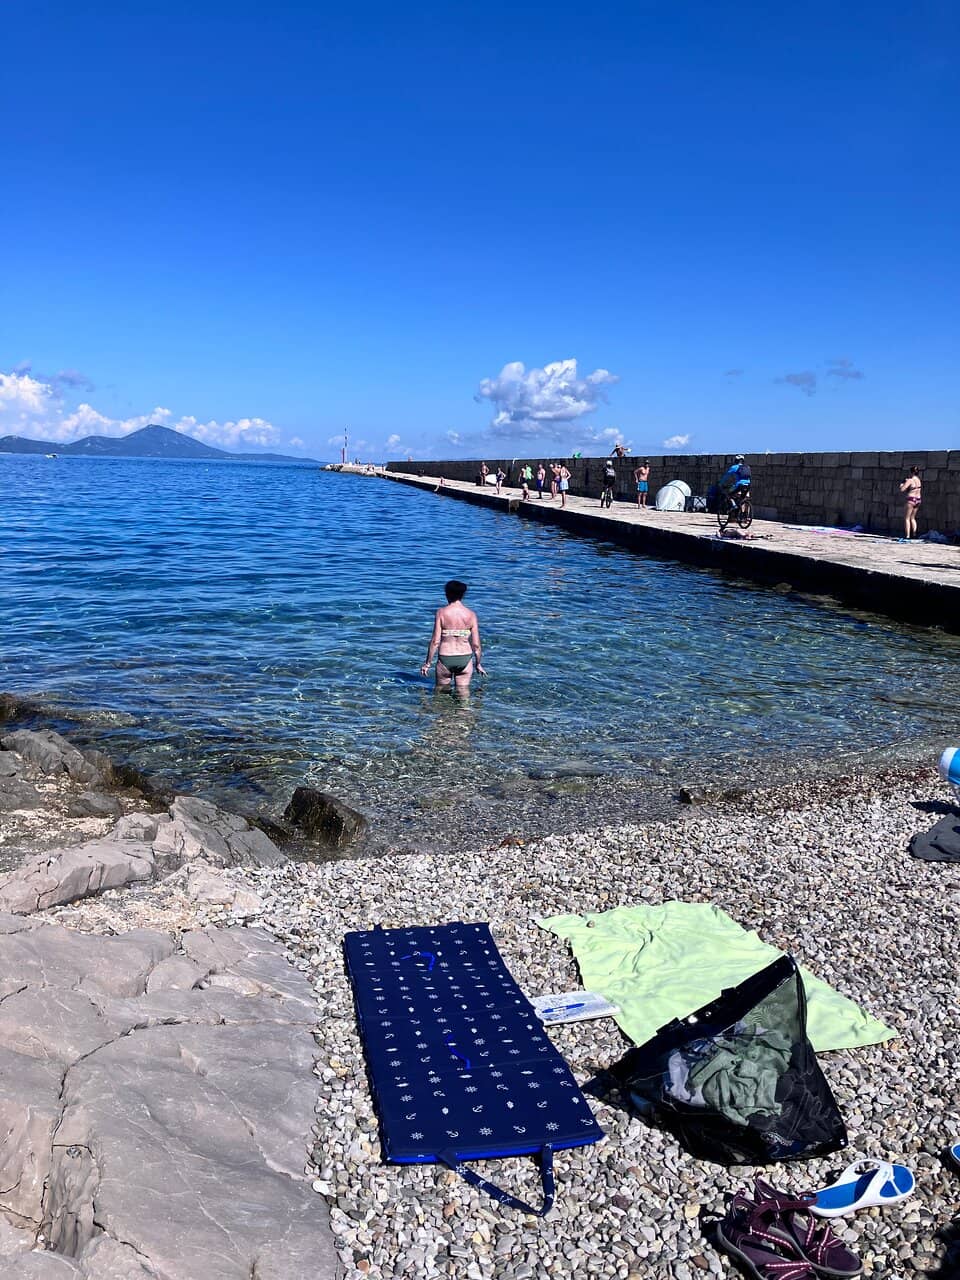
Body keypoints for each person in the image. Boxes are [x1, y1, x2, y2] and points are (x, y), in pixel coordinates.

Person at [420, 580, 486, 693]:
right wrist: (478, 664)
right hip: (465, 658)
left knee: (441, 695)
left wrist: (427, 664)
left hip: (446, 657)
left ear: (447, 594)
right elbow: (476, 645)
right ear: (463, 595)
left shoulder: (441, 613)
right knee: (464, 694)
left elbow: (435, 641)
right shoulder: (471, 615)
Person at [899, 466, 922, 541]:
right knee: (913, 518)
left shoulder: (910, 480)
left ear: (911, 472)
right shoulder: (918, 480)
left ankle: (907, 535)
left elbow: (902, 489)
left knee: (907, 518)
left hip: (911, 499)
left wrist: (902, 483)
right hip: (918, 499)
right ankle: (914, 534)